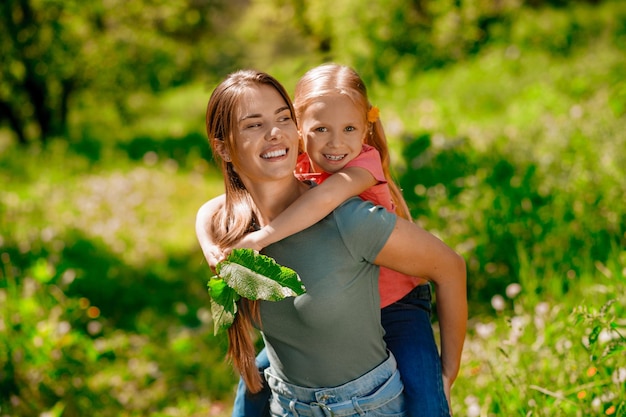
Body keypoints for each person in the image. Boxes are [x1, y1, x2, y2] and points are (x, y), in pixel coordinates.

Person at [198, 64, 466, 417]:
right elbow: (212, 208)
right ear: (304, 128)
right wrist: (210, 247)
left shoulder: (353, 180)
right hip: (297, 392)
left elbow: (325, 201)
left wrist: (448, 372)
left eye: (280, 120)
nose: (335, 141)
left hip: (398, 304)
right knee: (257, 380)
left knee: (427, 398)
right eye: (254, 124)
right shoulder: (299, 163)